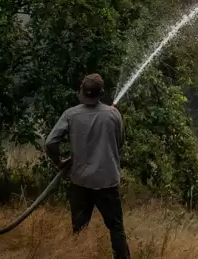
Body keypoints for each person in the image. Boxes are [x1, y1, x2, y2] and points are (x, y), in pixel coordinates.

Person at [45, 73, 130, 259]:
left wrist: (59, 162)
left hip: (80, 182)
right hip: (107, 181)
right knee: (116, 228)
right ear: (101, 93)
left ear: (82, 92)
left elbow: (50, 142)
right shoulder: (113, 114)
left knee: (79, 230)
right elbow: (120, 142)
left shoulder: (71, 114)